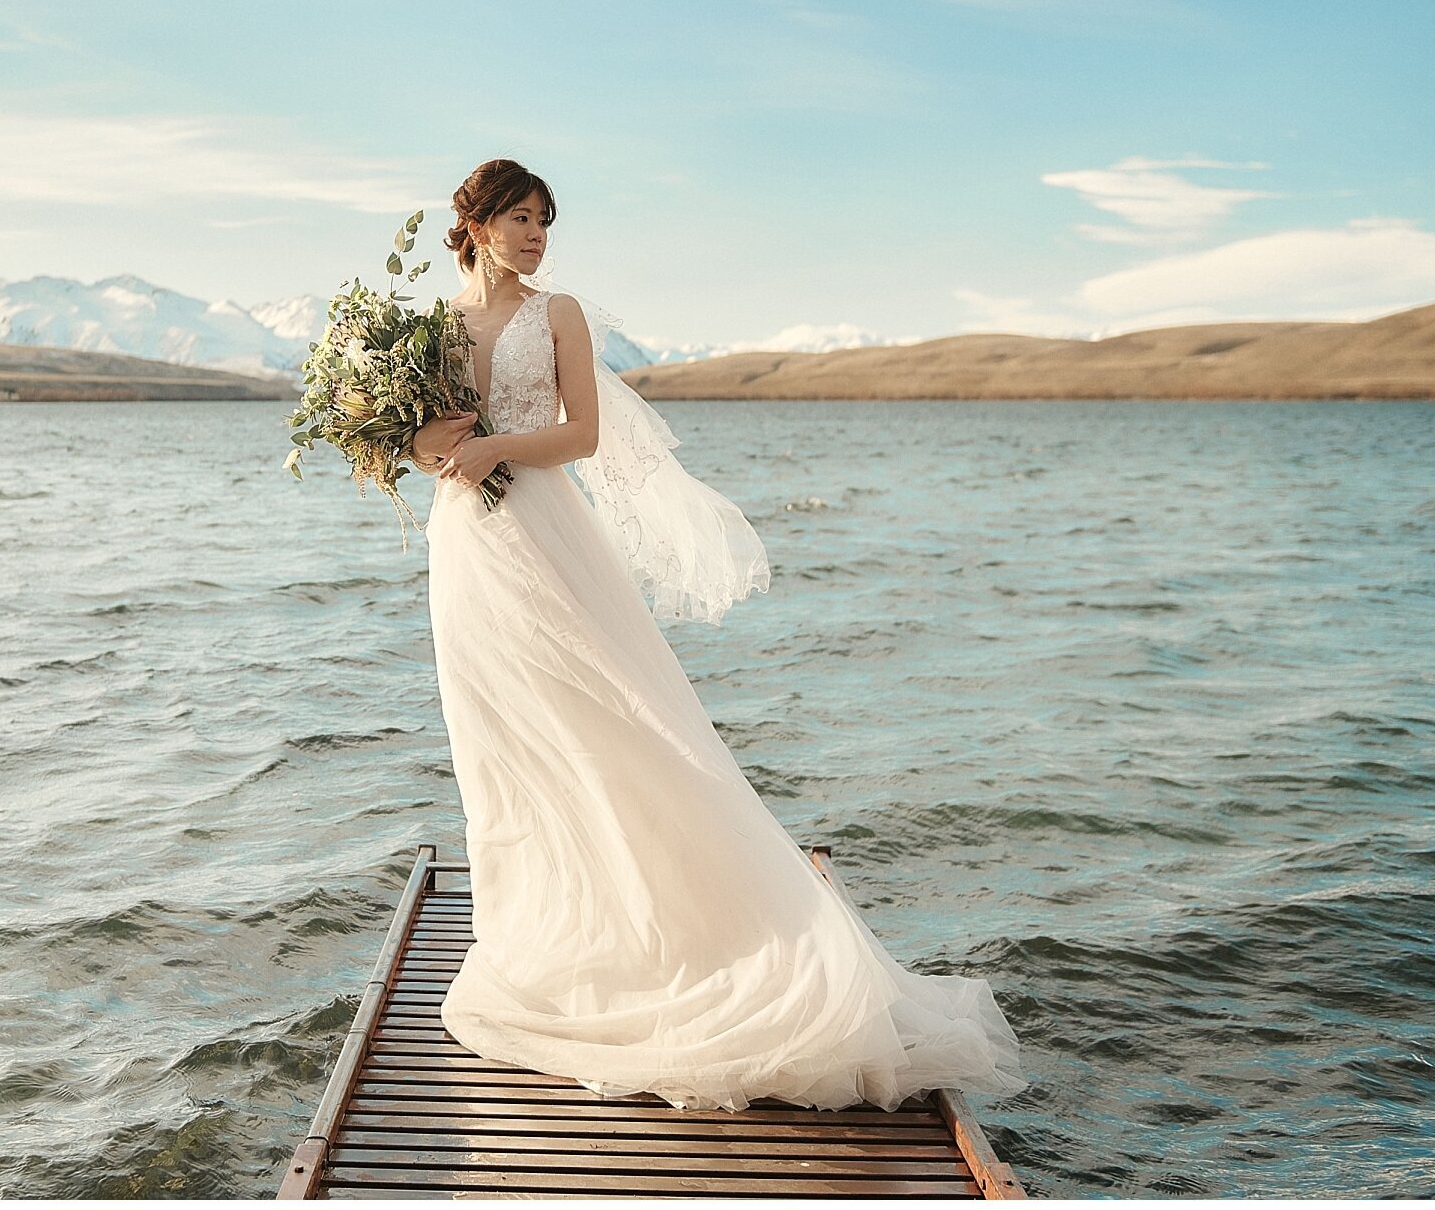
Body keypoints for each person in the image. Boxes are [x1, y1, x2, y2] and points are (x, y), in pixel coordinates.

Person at [407, 157, 1029, 1114]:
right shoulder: (428, 328)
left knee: (613, 720)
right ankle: (540, 935)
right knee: (504, 740)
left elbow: (581, 435)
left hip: (545, 528)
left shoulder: (558, 313)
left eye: (544, 219)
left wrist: (493, 446)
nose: (536, 234)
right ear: (477, 225)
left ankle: (683, 929)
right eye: (520, 218)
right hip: (467, 545)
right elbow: (403, 437)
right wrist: (433, 445)